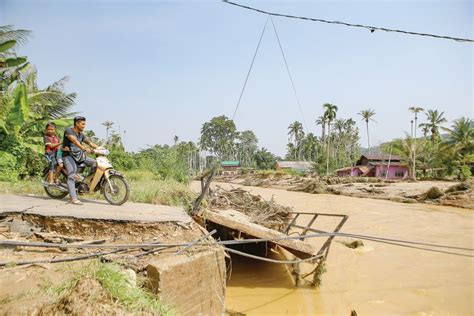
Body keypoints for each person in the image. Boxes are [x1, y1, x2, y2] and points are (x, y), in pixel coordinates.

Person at [62, 116, 98, 205]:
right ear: (77, 123)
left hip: (79, 155)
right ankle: (73, 198)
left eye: (84, 124)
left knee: (95, 163)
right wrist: (83, 148)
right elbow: (74, 141)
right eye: (82, 124)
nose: (84, 126)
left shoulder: (81, 134)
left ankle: (84, 181)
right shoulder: (69, 131)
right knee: (71, 175)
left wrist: (99, 148)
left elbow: (89, 142)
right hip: (68, 156)